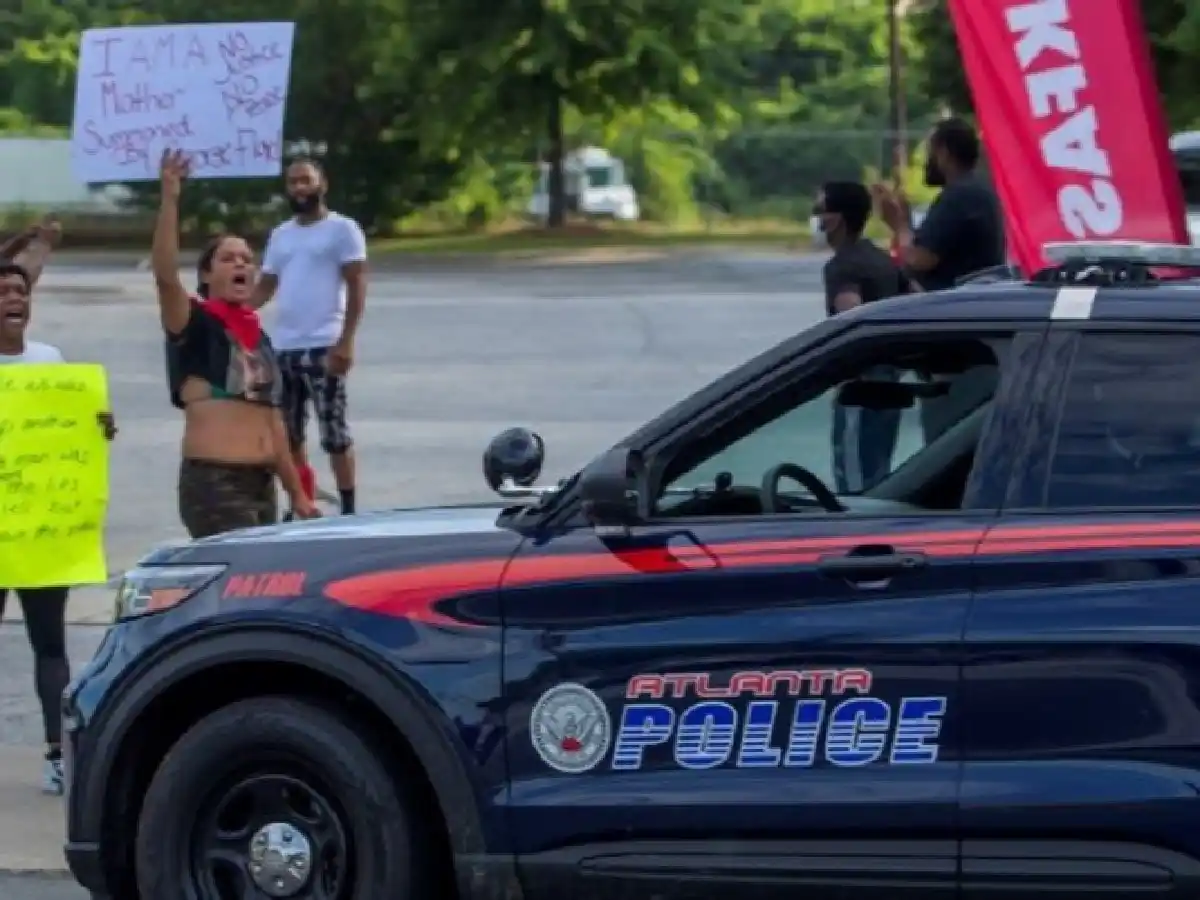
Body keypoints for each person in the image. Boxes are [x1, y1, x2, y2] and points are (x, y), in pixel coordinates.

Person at [151, 149, 319, 538]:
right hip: (215, 484)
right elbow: (164, 275)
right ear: (207, 275)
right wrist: (170, 197)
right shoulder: (195, 322)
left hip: (261, 485)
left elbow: (273, 423)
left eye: (247, 258)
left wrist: (298, 493)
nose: (242, 264)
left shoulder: (260, 339)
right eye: (228, 259)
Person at [0, 242, 118, 794]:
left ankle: (55, 753)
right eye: (1, 292)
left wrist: (97, 427)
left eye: (19, 292)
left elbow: (71, 432)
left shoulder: (50, 362)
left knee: (50, 644)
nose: (12, 299)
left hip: (40, 528)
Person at [251, 157, 368, 517]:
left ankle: (348, 507)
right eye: (293, 182)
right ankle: (302, 500)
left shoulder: (342, 230)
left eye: (306, 180)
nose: (299, 188)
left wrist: (346, 340)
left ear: (322, 184)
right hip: (284, 347)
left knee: (333, 432)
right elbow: (266, 286)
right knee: (289, 434)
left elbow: (357, 284)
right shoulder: (282, 235)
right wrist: (229, 314)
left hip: (325, 343)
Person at [816, 181, 910, 493]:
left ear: (836, 220)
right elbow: (916, 298)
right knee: (880, 473)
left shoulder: (842, 267)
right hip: (892, 384)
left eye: (820, 210)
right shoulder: (881, 259)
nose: (817, 219)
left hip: (860, 387)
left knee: (855, 486)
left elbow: (851, 319)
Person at [873, 116, 1005, 293]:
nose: (927, 162)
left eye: (930, 152)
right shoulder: (978, 190)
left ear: (944, 153)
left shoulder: (958, 196)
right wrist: (905, 220)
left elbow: (921, 259)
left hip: (955, 307)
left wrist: (898, 226)